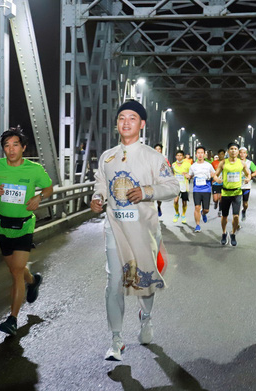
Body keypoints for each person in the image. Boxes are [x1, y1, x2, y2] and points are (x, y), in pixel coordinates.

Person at [90, 100, 179, 361]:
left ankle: (146, 317)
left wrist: (148, 191)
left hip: (144, 230)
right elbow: (101, 184)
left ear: (141, 124)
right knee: (114, 282)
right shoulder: (107, 156)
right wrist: (97, 198)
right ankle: (116, 339)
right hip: (114, 228)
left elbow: (173, 186)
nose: (125, 122)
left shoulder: (154, 157)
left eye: (132, 118)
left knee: (145, 282)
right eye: (121, 118)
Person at [0, 126, 53, 336]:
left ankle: (12, 319)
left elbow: (49, 187)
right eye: (7, 146)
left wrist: (39, 197)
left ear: (23, 148)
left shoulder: (34, 169)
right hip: (3, 226)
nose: (11, 150)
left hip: (24, 225)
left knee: (16, 272)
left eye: (15, 145)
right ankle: (33, 281)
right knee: (16, 271)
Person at [214, 143, 251, 246]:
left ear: (238, 152)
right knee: (224, 216)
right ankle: (224, 233)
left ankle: (233, 233)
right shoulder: (223, 163)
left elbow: (248, 174)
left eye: (235, 149)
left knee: (235, 216)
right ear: (228, 151)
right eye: (231, 149)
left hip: (237, 193)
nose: (233, 151)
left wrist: (248, 178)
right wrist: (217, 179)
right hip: (225, 193)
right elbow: (215, 175)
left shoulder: (242, 163)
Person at [186, 146, 218, 233]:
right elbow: (191, 175)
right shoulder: (193, 166)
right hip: (196, 189)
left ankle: (203, 213)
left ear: (204, 154)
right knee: (197, 207)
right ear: (196, 155)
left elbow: (214, 174)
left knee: (206, 209)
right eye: (198, 153)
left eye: (202, 153)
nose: (200, 155)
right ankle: (197, 225)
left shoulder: (208, 165)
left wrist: (214, 176)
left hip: (206, 189)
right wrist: (188, 176)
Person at [238, 147, 256, 219]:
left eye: (244, 153)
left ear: (246, 154)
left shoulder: (249, 163)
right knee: (237, 203)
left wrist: (249, 176)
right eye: (241, 152)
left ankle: (244, 210)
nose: (242, 154)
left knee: (245, 203)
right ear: (238, 153)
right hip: (237, 186)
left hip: (246, 186)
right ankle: (236, 218)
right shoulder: (236, 162)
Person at [172, 150, 191, 223]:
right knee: (175, 200)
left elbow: (191, 174)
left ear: (183, 156)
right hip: (176, 186)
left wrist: (188, 175)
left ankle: (183, 215)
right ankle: (177, 213)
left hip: (184, 186)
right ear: (176, 156)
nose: (179, 157)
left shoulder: (188, 164)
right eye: (178, 155)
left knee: (184, 202)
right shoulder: (173, 165)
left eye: (181, 155)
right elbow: (173, 173)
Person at [154, 143, 170, 217]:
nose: (157, 150)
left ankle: (158, 206)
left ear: (161, 150)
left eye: (159, 149)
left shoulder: (164, 159)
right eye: (156, 149)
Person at [211, 149, 225, 215]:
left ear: (224, 155)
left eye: (222, 154)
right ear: (218, 155)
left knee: (221, 198)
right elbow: (211, 171)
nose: (221, 155)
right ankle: (215, 203)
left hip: (223, 183)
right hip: (215, 182)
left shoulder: (227, 162)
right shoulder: (214, 163)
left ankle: (220, 210)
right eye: (220, 154)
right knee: (215, 199)